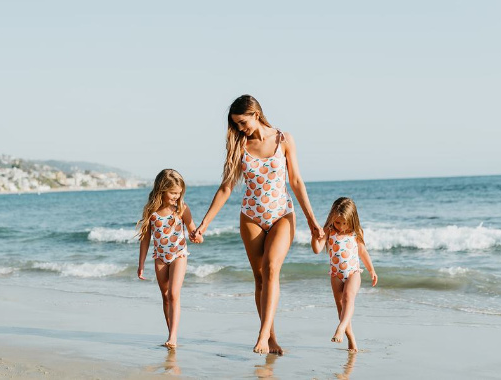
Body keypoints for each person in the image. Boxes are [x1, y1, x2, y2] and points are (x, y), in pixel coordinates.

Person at [191, 94, 323, 355]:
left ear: (255, 113)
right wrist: (204, 224)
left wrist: (312, 221)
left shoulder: (284, 139)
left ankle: (262, 335)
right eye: (236, 124)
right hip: (251, 216)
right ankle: (271, 337)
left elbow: (296, 182)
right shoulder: (239, 146)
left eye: (243, 122)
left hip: (282, 214)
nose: (241, 128)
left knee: (272, 267)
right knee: (260, 278)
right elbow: (227, 187)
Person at [137, 169, 202, 349]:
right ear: (162, 189)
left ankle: (173, 336)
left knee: (174, 293)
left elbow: (192, 230)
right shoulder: (151, 211)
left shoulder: (181, 208)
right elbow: (145, 238)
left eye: (179, 193)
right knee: (165, 297)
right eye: (173, 192)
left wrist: (197, 236)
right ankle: (170, 334)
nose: (176, 196)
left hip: (179, 255)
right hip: (159, 257)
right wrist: (141, 263)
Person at [311, 197, 377, 352]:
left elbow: (362, 251)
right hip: (336, 275)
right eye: (337, 222)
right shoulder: (328, 231)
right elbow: (317, 249)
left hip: (354, 272)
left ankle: (340, 328)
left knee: (348, 297)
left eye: (344, 223)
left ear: (352, 219)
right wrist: (314, 237)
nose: (340, 226)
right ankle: (351, 340)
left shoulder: (356, 232)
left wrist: (371, 270)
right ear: (332, 218)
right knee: (341, 309)